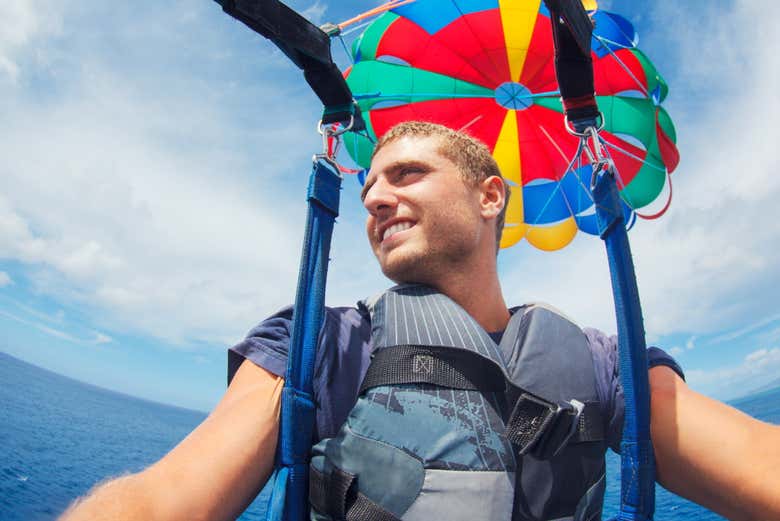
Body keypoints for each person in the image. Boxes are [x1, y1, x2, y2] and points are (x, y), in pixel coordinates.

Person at [61, 122, 780, 521]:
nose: (374, 197)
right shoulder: (323, 343)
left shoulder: (600, 364)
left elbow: (755, 462)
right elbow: (164, 498)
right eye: (369, 181)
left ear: (490, 195)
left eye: (406, 174)